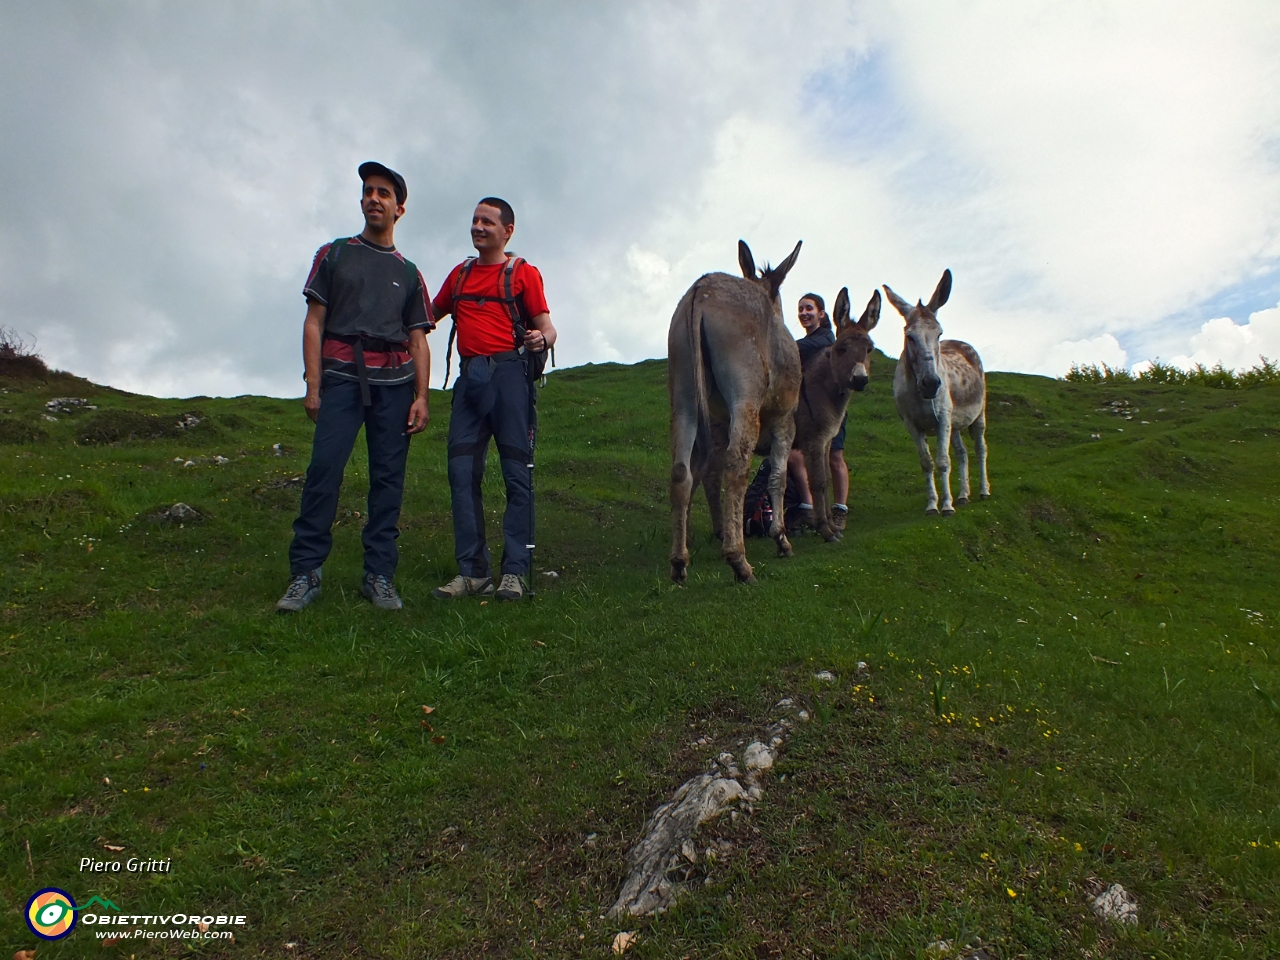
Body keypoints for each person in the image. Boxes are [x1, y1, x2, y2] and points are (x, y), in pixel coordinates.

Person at [275, 162, 433, 613]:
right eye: (368, 191)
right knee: (324, 471)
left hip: (396, 385)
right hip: (341, 379)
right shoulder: (335, 254)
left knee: (388, 481)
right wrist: (313, 383)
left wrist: (421, 397)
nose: (374, 199)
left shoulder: (410, 271)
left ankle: (379, 575)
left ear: (399, 208)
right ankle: (305, 573)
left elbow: (418, 339)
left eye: (384, 193)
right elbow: (314, 321)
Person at [430, 198, 557, 602]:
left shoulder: (523, 274)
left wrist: (541, 339)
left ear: (508, 231)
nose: (478, 227)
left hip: (510, 379)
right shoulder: (460, 275)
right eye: (474, 220)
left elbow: (547, 329)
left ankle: (515, 572)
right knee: (461, 473)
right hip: (470, 382)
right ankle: (473, 572)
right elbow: (426, 317)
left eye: (487, 221)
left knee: (517, 474)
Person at [786, 292, 850, 532]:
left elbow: (794, 348)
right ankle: (810, 507)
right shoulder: (808, 342)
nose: (804, 313)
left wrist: (781, 346)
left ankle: (839, 510)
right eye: (801, 309)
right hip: (808, 410)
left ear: (821, 314)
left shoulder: (825, 340)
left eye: (809, 308)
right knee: (796, 455)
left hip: (831, 409)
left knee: (834, 457)